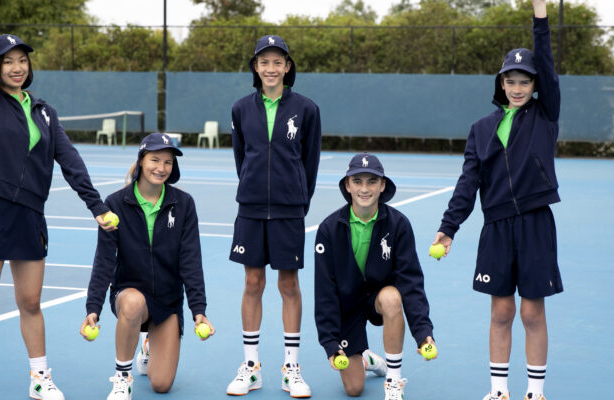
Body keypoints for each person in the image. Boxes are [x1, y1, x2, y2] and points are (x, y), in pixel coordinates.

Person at [0, 0, 115, 399]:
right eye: (7, 61)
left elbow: (70, 160)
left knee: (30, 301)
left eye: (22, 60)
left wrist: (95, 205)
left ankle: (40, 378)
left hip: (30, 214)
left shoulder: (45, 112)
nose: (16, 67)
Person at [431, 2, 561, 400]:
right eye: (511, 81)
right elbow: (468, 182)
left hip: (535, 224)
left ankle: (535, 392)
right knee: (501, 312)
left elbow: (548, 65)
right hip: (497, 229)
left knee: (531, 312)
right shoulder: (481, 129)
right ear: (500, 84)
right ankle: (499, 391)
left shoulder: (545, 114)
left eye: (525, 81)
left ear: (535, 85)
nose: (518, 88)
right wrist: (447, 228)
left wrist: (540, 15)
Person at [81, 133, 213, 400]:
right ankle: (122, 378)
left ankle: (148, 346)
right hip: (129, 295)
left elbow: (191, 260)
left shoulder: (184, 203)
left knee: (161, 385)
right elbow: (104, 260)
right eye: (154, 159)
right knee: (133, 303)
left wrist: (199, 311)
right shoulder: (115, 203)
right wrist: (93, 309)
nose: (161, 168)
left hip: (167, 302)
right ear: (141, 161)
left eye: (167, 162)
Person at [225, 35, 321, 398]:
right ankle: (251, 366)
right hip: (250, 209)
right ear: (255, 67)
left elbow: (309, 162)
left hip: (288, 210)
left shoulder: (307, 109)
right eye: (264, 62)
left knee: (289, 285)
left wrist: (297, 199)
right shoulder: (240, 109)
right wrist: (252, 190)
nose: (270, 68)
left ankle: (291, 367)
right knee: (252, 283)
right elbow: (241, 159)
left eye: (277, 62)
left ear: (287, 66)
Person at [314, 153, 435, 400]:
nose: (364, 188)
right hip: (348, 308)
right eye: (357, 181)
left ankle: (393, 381)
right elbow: (325, 291)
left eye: (371, 181)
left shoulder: (399, 224)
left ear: (382, 185)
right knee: (354, 389)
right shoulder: (328, 229)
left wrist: (423, 332)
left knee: (392, 297)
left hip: (379, 299)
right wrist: (330, 342)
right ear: (347, 186)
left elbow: (410, 281)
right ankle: (367, 357)